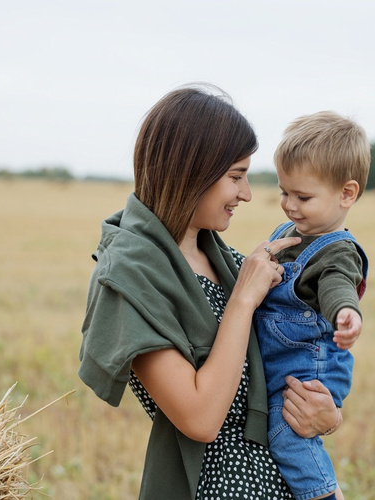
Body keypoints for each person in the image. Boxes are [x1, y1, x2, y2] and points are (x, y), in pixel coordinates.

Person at [78, 85, 344, 500]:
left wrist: (326, 416)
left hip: (289, 483)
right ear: (191, 172)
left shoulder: (228, 261)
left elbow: (297, 359)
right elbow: (201, 419)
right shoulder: (128, 280)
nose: (247, 193)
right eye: (235, 176)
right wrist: (243, 300)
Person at [254, 111, 370, 500]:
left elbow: (339, 286)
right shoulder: (290, 232)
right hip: (285, 362)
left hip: (310, 369)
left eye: (303, 197)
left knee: (288, 435)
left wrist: (345, 313)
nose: (289, 205)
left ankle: (324, 495)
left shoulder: (336, 251)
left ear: (346, 194)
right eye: (285, 192)